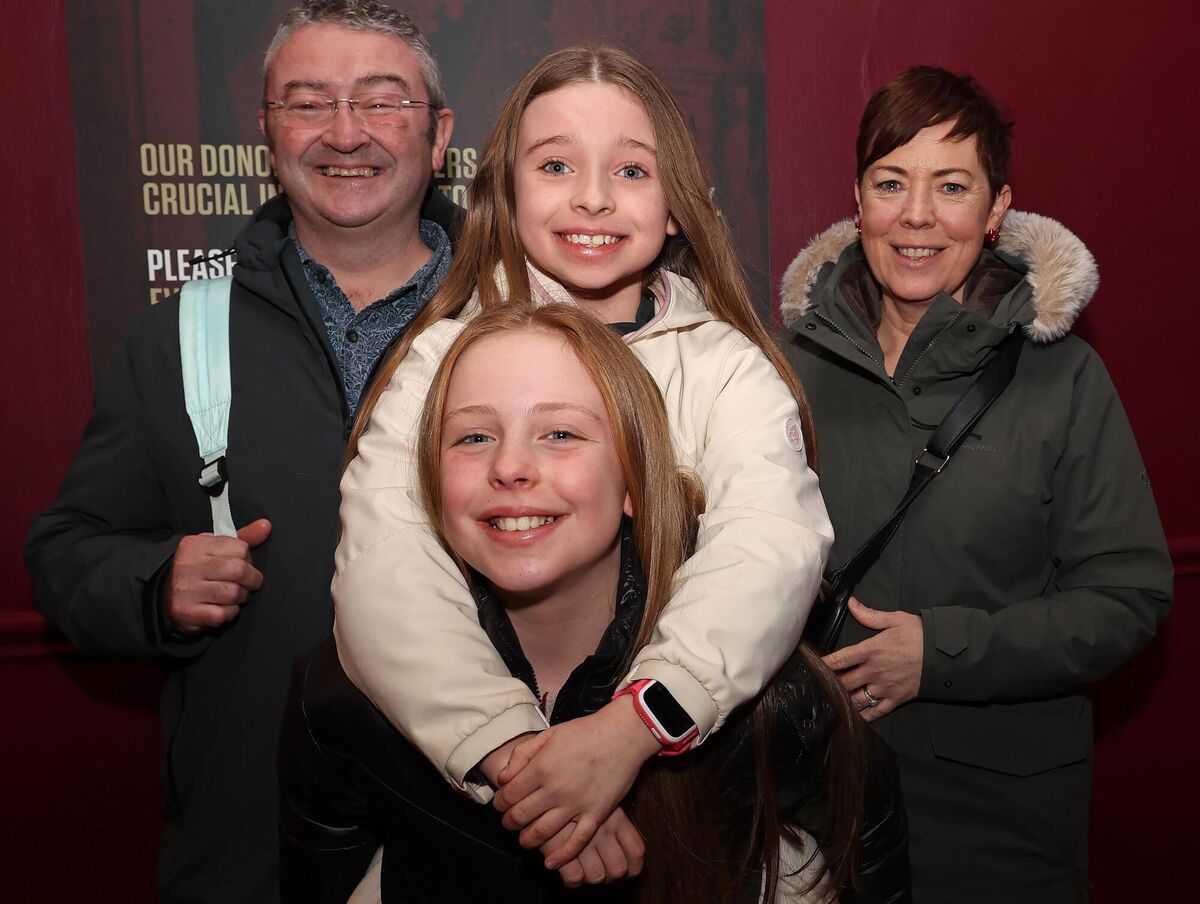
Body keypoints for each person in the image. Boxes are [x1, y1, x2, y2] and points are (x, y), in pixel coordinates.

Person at [333, 45, 834, 884]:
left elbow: (771, 545)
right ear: (506, 192)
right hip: (466, 830)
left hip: (698, 816)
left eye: (631, 171)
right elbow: (385, 567)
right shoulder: (439, 359)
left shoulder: (727, 369)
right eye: (556, 164)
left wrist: (629, 731)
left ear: (675, 205)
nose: (593, 197)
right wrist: (521, 757)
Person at [23, 2, 457, 901]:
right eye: (307, 104)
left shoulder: (525, 324)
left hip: (488, 826)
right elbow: (66, 551)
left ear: (439, 132)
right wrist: (156, 583)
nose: (345, 133)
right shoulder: (178, 336)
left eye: (382, 101)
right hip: (252, 842)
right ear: (266, 132)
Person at [280, 303, 910, 903]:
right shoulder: (339, 697)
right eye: (473, 437)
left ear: (633, 478)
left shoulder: (774, 703)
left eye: (559, 433)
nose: (510, 466)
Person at [777, 65, 1173, 903]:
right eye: (892, 182)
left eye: (951, 186)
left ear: (995, 210)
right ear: (858, 199)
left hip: (1002, 827)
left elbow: (1129, 595)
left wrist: (944, 654)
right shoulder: (789, 369)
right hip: (821, 808)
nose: (917, 215)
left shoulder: (1062, 378)